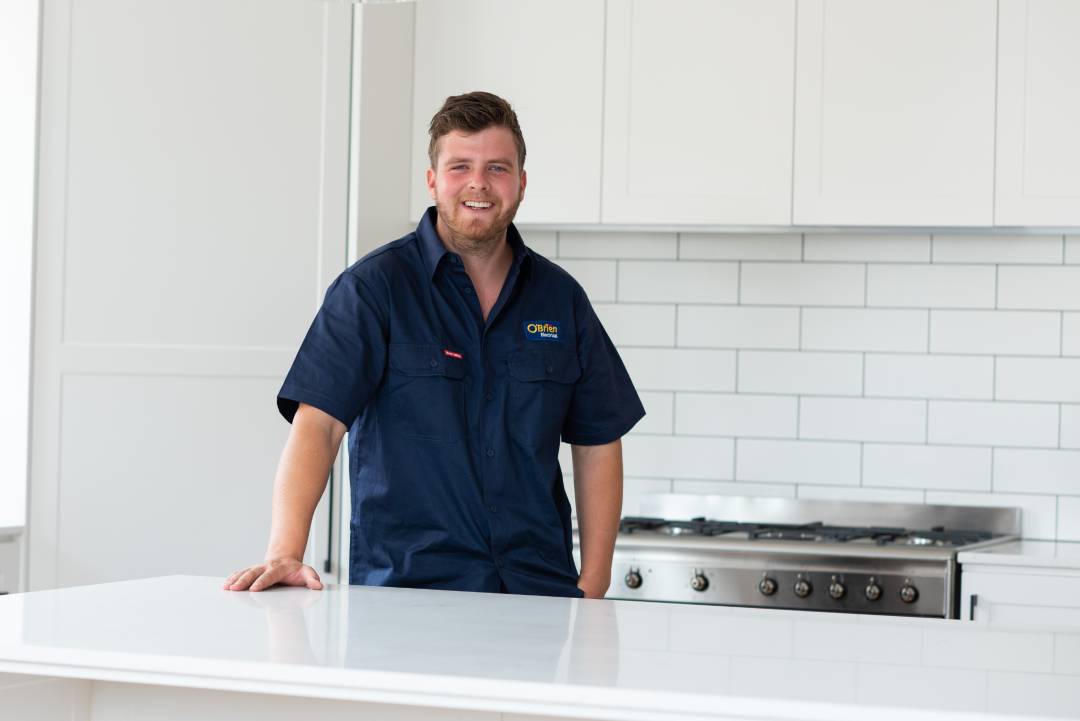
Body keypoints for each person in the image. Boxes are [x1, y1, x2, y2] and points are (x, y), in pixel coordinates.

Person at [223, 91, 644, 599]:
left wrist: (593, 583)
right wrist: (286, 551)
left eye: (497, 167)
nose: (478, 184)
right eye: (459, 166)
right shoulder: (373, 289)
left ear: (522, 183)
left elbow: (598, 442)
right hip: (408, 597)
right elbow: (320, 424)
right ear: (432, 180)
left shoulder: (561, 299)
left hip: (539, 597)